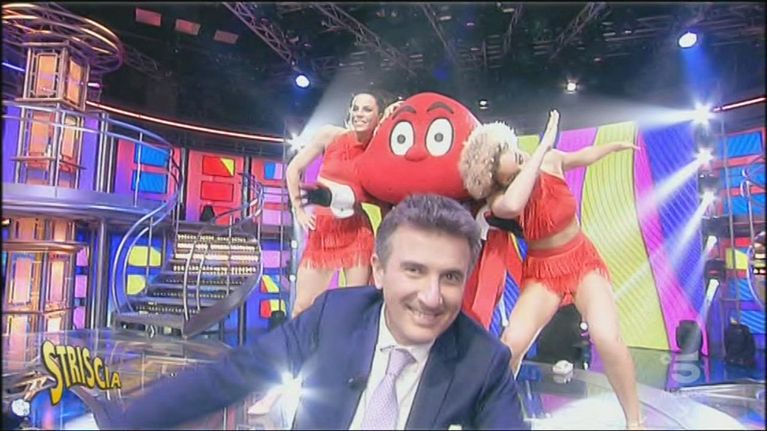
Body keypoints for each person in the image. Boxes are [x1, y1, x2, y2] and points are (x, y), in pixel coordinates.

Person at [105, 194, 529, 430]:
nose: (432, 297)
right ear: (379, 271)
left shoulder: (484, 361)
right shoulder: (335, 316)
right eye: (414, 271)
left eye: (450, 277)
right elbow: (229, 377)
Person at [459, 110, 643, 429]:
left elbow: (582, 156)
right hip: (543, 273)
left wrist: (612, 147)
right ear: (497, 181)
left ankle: (635, 421)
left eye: (519, 156)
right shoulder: (502, 201)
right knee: (510, 345)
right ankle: (491, 418)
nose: (522, 163)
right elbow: (514, 204)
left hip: (581, 260)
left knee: (606, 336)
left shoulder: (551, 161)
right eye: (513, 170)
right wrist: (543, 145)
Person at [286, 91, 393, 317]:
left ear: (378, 116)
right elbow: (293, 169)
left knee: (353, 309)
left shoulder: (378, 152)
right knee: (303, 307)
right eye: (355, 108)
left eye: (367, 109)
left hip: (357, 232)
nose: (359, 114)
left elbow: (385, 201)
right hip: (323, 232)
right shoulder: (330, 135)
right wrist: (299, 210)